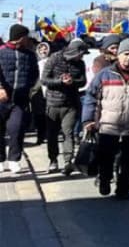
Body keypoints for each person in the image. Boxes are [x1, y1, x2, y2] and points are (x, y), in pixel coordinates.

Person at [81, 38, 129, 199]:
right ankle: (104, 179)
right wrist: (88, 120)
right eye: (125, 54)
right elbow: (91, 97)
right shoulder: (105, 74)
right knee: (106, 158)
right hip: (108, 126)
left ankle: (123, 188)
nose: (128, 58)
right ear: (118, 55)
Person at [40, 38, 88, 175]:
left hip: (71, 104)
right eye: (81, 54)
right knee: (52, 135)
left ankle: (68, 161)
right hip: (53, 103)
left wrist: (72, 82)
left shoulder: (81, 64)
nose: (82, 57)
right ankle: (53, 160)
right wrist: (60, 81)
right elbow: (44, 79)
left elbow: (83, 81)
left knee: (68, 132)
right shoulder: (54, 58)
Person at [0, 25, 41, 173]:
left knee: (16, 129)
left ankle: (14, 159)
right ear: (20, 37)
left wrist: (28, 88)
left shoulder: (29, 55)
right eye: (26, 37)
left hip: (20, 99)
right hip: (2, 99)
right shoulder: (2, 52)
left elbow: (35, 73)